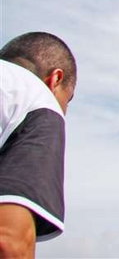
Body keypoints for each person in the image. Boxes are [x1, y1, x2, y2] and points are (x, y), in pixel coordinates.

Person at [0, 32, 77, 257]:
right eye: (68, 99)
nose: (64, 110)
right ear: (55, 79)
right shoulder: (39, 99)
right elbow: (9, 241)